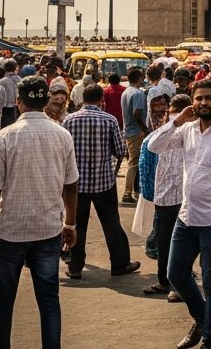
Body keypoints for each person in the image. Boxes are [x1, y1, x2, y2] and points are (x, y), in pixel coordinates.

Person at [0, 75, 80, 349]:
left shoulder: (5, 136)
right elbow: (71, 186)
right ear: (46, 101)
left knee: (3, 302)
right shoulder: (62, 134)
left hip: (10, 231)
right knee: (49, 301)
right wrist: (70, 224)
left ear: (18, 102)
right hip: (48, 230)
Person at [147, 79, 211, 349]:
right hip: (187, 215)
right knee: (175, 274)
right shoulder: (187, 130)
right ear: (192, 101)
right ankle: (203, 319)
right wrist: (177, 120)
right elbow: (153, 146)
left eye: (209, 98)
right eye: (199, 98)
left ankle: (210, 340)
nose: (203, 103)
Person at [62, 83, 140, 279]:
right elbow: (121, 150)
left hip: (75, 184)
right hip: (104, 182)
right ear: (101, 100)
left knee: (75, 224)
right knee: (111, 223)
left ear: (82, 99)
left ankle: (75, 267)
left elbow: (62, 151)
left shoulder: (69, 120)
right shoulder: (109, 120)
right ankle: (120, 263)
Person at [140, 89, 182, 298]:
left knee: (172, 241)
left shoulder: (192, 132)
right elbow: (150, 149)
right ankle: (168, 282)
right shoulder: (165, 131)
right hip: (167, 195)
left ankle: (174, 283)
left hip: (177, 196)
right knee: (168, 241)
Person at [121, 65, 151, 204]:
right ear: (139, 78)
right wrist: (145, 129)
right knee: (134, 163)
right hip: (136, 131)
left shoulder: (126, 92)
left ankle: (134, 191)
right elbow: (137, 113)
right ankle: (127, 192)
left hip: (128, 130)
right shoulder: (138, 93)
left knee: (133, 162)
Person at [0, 59, 19, 128]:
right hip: (17, 109)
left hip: (5, 111)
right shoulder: (20, 79)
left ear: (4, 69)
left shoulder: (2, 82)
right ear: (15, 68)